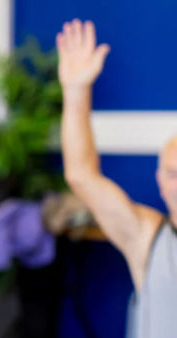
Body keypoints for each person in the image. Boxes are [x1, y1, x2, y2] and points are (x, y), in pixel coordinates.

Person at [58, 19, 175, 338]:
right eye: (172, 173)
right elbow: (81, 175)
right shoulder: (148, 238)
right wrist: (76, 90)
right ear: (160, 183)